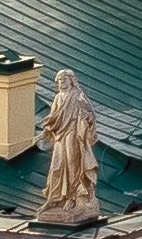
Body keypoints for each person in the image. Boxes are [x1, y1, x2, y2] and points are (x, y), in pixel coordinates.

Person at [38, 68, 99, 224]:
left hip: (73, 134)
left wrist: (85, 116)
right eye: (58, 81)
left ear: (71, 80)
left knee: (73, 166)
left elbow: (91, 116)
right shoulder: (58, 98)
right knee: (57, 166)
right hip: (60, 136)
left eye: (63, 80)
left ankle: (73, 197)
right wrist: (45, 131)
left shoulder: (78, 95)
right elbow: (53, 118)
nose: (60, 83)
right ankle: (55, 198)